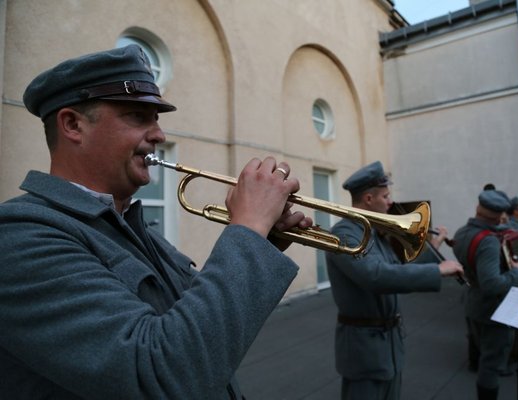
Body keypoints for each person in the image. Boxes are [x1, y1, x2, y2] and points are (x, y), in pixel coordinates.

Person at [0, 45, 314, 399]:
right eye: (138, 116)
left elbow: (203, 331)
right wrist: (248, 230)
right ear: (73, 125)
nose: (159, 135)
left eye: (157, 119)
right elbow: (163, 374)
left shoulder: (127, 224)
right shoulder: (21, 237)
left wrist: (262, 244)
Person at [325, 161, 464, 400]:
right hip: (364, 349)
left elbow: (397, 270)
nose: (391, 202)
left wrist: (432, 249)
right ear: (369, 199)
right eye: (386, 196)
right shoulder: (345, 234)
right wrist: (437, 271)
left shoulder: (373, 232)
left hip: (388, 344)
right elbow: (376, 276)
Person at [452, 190, 518, 400]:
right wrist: (516, 273)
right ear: (500, 216)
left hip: (472, 303)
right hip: (493, 309)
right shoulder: (489, 241)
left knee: (483, 354)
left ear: (477, 209)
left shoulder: (462, 232)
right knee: (491, 366)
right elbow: (492, 285)